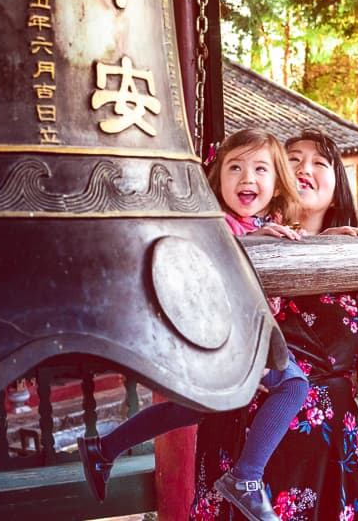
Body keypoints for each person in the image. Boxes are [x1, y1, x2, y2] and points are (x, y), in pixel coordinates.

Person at [189, 128, 358, 521]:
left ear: (336, 186)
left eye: (319, 162)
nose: (303, 168)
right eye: (292, 160)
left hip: (326, 447)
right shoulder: (236, 238)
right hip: (239, 435)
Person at [79, 129, 313, 521]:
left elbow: (303, 250)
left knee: (194, 410)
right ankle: (247, 477)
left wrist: (332, 238)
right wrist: (253, 241)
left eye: (260, 169)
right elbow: (211, 254)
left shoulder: (265, 223)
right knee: (293, 384)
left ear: (276, 184)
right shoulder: (214, 222)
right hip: (223, 335)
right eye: (234, 167)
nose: (247, 178)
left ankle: (103, 448)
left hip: (238, 337)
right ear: (218, 177)